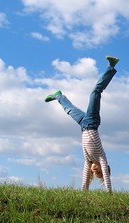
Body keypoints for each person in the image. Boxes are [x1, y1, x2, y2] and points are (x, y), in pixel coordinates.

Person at [44, 56, 119, 193]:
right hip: (92, 122)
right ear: (104, 168)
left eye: (94, 172)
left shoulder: (88, 160)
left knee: (69, 109)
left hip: (83, 125)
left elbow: (85, 178)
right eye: (99, 171)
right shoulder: (101, 157)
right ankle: (111, 67)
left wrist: (83, 192)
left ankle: (58, 96)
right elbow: (107, 178)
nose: (94, 170)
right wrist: (109, 192)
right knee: (95, 92)